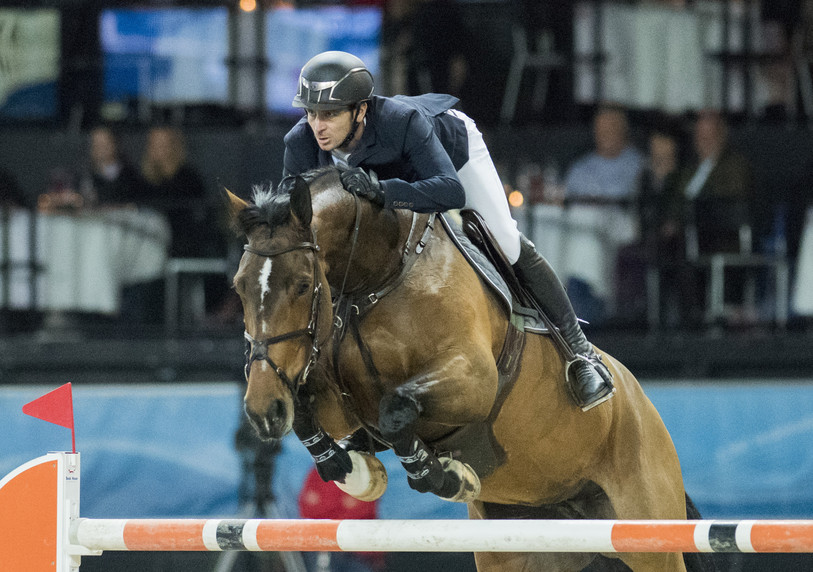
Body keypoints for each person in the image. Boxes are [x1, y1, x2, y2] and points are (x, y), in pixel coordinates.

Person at [282, 51, 613, 411]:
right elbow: (292, 227)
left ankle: (580, 353)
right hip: (401, 190)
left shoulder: (401, 122)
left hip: (455, 155)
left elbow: (449, 191)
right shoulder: (299, 145)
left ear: (361, 110)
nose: (318, 126)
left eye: (329, 114)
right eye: (310, 113)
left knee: (504, 240)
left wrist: (383, 191)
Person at [563, 104, 645, 205]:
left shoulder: (640, 166)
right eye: (602, 128)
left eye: (612, 126)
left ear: (624, 129)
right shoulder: (578, 170)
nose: (606, 133)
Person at [79, 125, 144, 208]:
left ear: (115, 144)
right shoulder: (84, 176)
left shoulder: (130, 175)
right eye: (96, 144)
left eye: (104, 143)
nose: (100, 148)